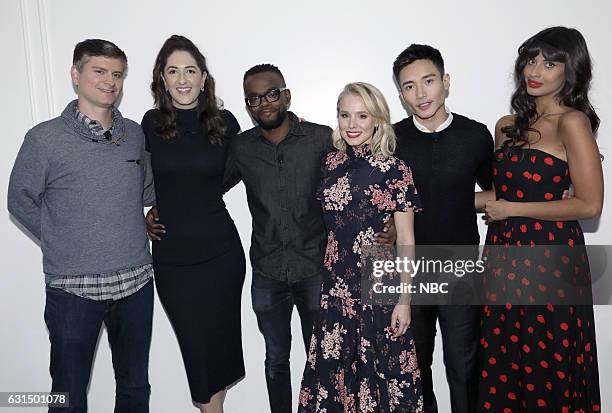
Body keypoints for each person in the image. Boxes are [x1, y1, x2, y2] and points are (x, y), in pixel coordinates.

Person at [7, 39, 155, 413]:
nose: (110, 81)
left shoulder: (135, 135)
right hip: (73, 290)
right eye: (99, 72)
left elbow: (147, 190)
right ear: (76, 75)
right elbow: (18, 198)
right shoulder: (44, 139)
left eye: (117, 74)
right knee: (68, 393)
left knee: (135, 386)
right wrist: (61, 236)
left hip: (136, 284)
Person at [476, 26, 602, 412]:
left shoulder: (572, 123)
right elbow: (501, 196)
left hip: (551, 263)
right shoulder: (506, 127)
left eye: (550, 63)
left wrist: (513, 210)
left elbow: (588, 205)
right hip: (503, 258)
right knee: (502, 364)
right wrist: (425, 202)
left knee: (548, 365)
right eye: (531, 60)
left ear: (571, 70)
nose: (536, 70)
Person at [298, 82, 423, 412]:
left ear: (378, 120)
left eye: (362, 116)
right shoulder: (329, 164)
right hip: (335, 287)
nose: (352, 125)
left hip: (378, 286)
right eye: (345, 115)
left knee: (379, 379)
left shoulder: (395, 170)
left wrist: (405, 301)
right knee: (335, 383)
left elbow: (408, 240)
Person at [142, 35, 245, 413]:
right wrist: (144, 216)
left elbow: (238, 171)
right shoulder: (150, 124)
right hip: (172, 260)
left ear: (204, 78)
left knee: (217, 351)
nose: (182, 79)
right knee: (196, 354)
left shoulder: (225, 123)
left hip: (221, 255)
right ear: (162, 80)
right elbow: (136, 181)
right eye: (173, 71)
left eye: (190, 70)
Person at [392, 44, 494, 413]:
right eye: (409, 86)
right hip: (407, 269)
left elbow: (497, 191)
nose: (421, 94)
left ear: (445, 82)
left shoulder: (475, 135)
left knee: (464, 367)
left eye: (429, 81)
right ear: (400, 93)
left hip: (460, 265)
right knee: (414, 369)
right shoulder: (391, 139)